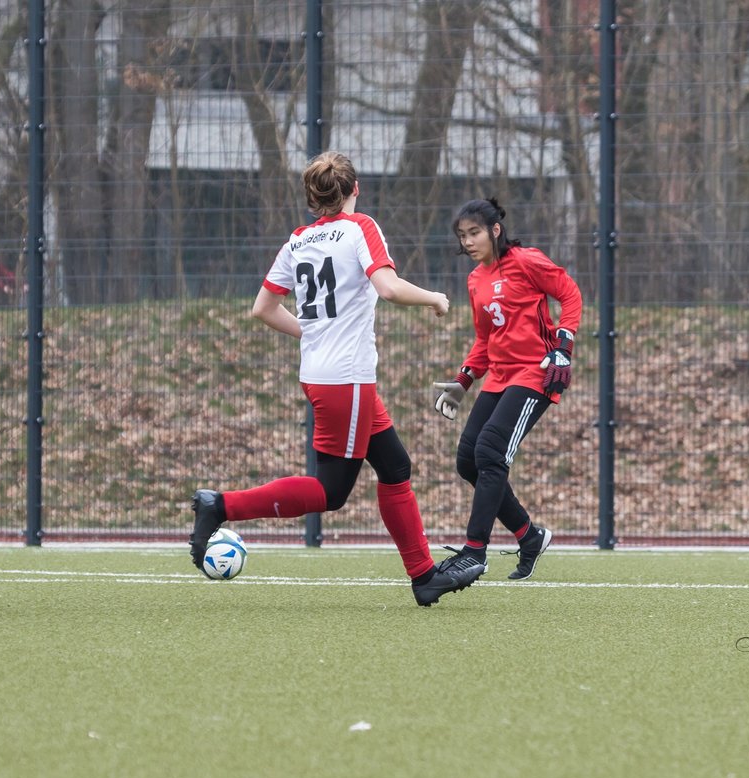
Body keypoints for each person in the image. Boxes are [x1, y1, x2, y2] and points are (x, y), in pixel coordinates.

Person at [188, 151, 486, 607]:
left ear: (313, 199)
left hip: (328, 376)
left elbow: (262, 309)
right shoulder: (360, 227)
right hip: (345, 380)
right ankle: (222, 506)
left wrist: (312, 333)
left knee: (395, 467)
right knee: (331, 491)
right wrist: (435, 298)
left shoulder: (297, 240)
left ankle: (424, 576)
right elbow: (387, 287)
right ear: (355, 189)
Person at [431, 197, 582, 580]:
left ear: (495, 230)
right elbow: (485, 339)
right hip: (499, 376)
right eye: (462, 236)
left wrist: (563, 348)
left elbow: (570, 294)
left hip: (535, 373)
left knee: (490, 451)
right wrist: (464, 381)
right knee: (468, 460)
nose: (468, 241)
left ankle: (474, 551)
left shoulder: (526, 261)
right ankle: (529, 536)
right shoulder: (475, 279)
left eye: (475, 233)